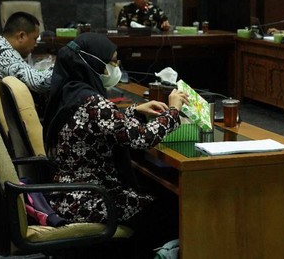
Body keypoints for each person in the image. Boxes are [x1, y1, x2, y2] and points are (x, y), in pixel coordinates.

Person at [43, 33, 189, 254]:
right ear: (93, 62)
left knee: (155, 195)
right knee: (170, 210)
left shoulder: (72, 90)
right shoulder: (93, 103)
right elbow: (142, 138)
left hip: (68, 192)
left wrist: (134, 111)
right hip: (90, 198)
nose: (116, 66)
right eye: (111, 61)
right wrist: (174, 111)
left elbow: (101, 125)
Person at [0, 11, 52, 93]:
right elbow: (39, 83)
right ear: (21, 36)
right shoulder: (5, 55)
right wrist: (59, 66)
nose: (35, 44)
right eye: (34, 39)